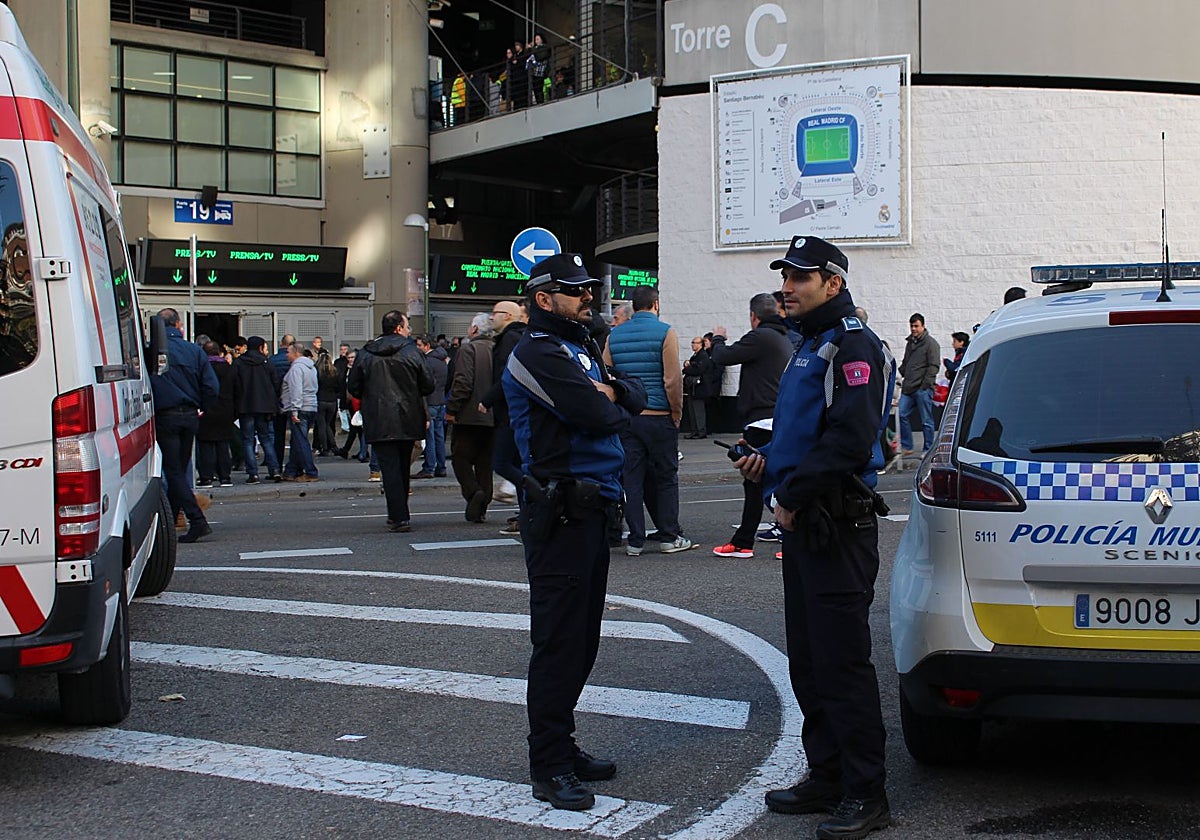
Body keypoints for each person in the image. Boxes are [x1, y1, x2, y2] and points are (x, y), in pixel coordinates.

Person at [736, 235, 894, 837]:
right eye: (785, 277)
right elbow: (806, 435)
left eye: (800, 278)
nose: (787, 287)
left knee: (841, 662)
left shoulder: (853, 345)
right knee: (807, 659)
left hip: (834, 523)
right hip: (804, 523)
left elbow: (851, 441)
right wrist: (767, 459)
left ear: (832, 283)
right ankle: (826, 775)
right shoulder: (811, 343)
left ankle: (866, 792)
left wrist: (788, 495)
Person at [501, 252, 647, 811]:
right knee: (560, 641)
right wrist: (609, 397)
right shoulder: (535, 352)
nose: (588, 295)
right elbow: (603, 415)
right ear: (544, 298)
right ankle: (550, 765)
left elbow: (628, 394)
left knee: (582, 638)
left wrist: (611, 394)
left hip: (592, 508)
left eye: (588, 287)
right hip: (561, 513)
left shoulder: (578, 347)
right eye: (575, 289)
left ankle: (563, 744)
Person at [604, 286, 692, 556]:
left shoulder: (614, 335)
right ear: (655, 304)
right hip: (658, 416)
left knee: (632, 478)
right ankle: (669, 535)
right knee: (666, 477)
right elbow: (672, 379)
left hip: (628, 418)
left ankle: (635, 541)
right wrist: (676, 412)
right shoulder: (666, 332)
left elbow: (608, 376)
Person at [708, 292, 794, 559]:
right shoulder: (784, 338)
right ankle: (747, 540)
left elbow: (722, 356)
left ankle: (772, 540)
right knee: (767, 481)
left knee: (757, 480)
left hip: (761, 419)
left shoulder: (760, 337)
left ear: (754, 316)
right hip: (778, 418)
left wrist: (718, 338)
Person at [347, 311, 434, 532]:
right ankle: (400, 513)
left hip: (378, 416)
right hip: (407, 415)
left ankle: (398, 515)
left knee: (389, 467)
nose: (408, 331)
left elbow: (354, 386)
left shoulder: (366, 353)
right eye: (407, 327)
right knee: (403, 466)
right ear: (398, 328)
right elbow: (428, 384)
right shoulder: (412, 352)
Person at [149, 308, 218, 543]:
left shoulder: (151, 351)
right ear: (179, 324)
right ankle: (169, 521)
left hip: (165, 415)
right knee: (179, 467)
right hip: (189, 415)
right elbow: (211, 386)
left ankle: (195, 520)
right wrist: (202, 408)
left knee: (173, 471)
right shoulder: (193, 351)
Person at [481, 299, 528, 536]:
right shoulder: (516, 337)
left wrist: (487, 399)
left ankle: (538, 493)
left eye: (495, 313)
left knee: (502, 462)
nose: (491, 317)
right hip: (515, 411)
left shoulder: (510, 339)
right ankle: (527, 512)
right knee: (518, 462)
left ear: (508, 316)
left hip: (511, 412)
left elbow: (507, 376)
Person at [446, 313, 495, 522]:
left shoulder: (468, 348)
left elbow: (463, 382)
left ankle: (474, 492)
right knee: (485, 462)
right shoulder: (497, 349)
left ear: (474, 329)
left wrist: (452, 409)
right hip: (493, 417)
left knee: (461, 458)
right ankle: (482, 505)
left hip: (469, 415)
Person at [232, 335, 282, 484]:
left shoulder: (239, 363)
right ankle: (275, 470)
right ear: (260, 347)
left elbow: (235, 385)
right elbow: (276, 385)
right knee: (266, 439)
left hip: (245, 406)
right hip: (265, 407)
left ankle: (253, 474)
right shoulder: (267, 364)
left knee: (247, 440)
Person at [196, 340, 236, 488]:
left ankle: (206, 477)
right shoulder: (229, 369)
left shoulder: (202, 369)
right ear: (220, 353)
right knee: (223, 444)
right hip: (225, 410)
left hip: (206, 409)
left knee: (206, 445)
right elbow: (237, 390)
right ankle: (225, 477)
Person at [898, 313, 939, 457]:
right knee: (901, 414)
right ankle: (907, 446)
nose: (913, 329)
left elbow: (934, 366)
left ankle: (928, 448)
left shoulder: (931, 344)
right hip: (908, 387)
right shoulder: (910, 343)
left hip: (922, 389)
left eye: (916, 326)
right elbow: (906, 362)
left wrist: (925, 385)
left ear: (923, 326)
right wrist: (901, 373)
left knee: (926, 420)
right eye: (912, 326)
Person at [280, 341, 319, 481]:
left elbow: (296, 390)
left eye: (288, 352)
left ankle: (310, 471)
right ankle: (291, 470)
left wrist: (294, 409)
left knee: (301, 441)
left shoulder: (296, 369)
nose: (287, 355)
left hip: (300, 407)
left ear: (296, 353)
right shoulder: (311, 368)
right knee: (297, 441)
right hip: (311, 406)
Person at [413, 335, 449, 479]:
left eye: (420, 345)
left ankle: (429, 467)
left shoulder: (427, 362)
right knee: (439, 436)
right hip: (440, 400)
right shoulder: (442, 362)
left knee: (430, 436)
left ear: (427, 346)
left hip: (430, 402)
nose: (418, 347)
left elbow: (424, 385)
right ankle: (441, 466)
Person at [269, 334, 295, 467]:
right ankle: (293, 466)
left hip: (277, 401)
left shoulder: (272, 360)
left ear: (281, 344)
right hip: (293, 401)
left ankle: (276, 465)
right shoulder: (295, 361)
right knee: (296, 436)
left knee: (277, 436)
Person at [681, 336, 711, 438]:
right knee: (692, 410)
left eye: (695, 342)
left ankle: (700, 431)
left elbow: (698, 370)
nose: (693, 344)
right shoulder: (696, 356)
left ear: (700, 344)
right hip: (693, 387)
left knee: (698, 410)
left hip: (699, 388)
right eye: (692, 342)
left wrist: (687, 367)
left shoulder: (703, 356)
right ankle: (695, 431)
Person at [314, 350, 341, 455]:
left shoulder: (317, 371)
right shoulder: (335, 371)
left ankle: (324, 448)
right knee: (328, 424)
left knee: (321, 425)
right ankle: (333, 445)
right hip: (332, 400)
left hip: (321, 399)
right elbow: (339, 386)